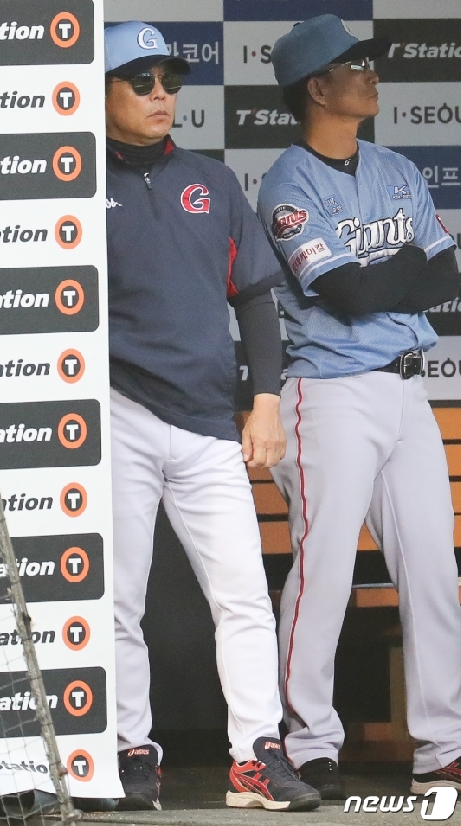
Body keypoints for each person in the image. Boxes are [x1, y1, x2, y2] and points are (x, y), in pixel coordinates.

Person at [104, 20, 320, 814]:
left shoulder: (213, 180)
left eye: (169, 80)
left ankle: (257, 757)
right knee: (117, 602)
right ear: (100, 91)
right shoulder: (69, 181)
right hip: (116, 411)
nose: (160, 94)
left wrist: (264, 401)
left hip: (205, 419)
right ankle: (128, 752)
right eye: (141, 81)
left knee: (243, 596)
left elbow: (256, 297)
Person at [257, 13, 461, 801]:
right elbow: (344, 292)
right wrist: (403, 265)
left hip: (407, 390)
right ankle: (309, 743)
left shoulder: (396, 167)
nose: (371, 74)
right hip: (330, 395)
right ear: (317, 87)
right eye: (354, 65)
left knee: (433, 571)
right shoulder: (288, 182)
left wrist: (393, 275)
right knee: (326, 575)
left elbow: (446, 276)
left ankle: (442, 746)